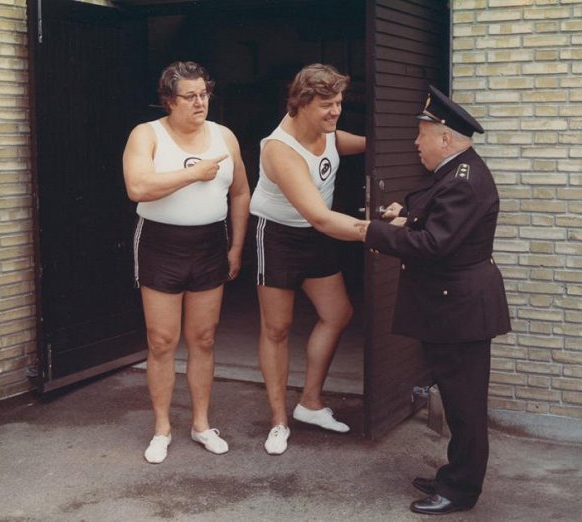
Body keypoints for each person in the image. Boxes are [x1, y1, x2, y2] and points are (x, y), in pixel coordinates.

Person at [358, 85, 511, 514]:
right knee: (458, 396)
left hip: (460, 310)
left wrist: (371, 232)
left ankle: (461, 491)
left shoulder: (464, 179)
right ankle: (453, 475)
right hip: (451, 307)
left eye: (421, 134)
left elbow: (434, 244)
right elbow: (436, 223)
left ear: (445, 137)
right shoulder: (454, 174)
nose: (415, 142)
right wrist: (405, 217)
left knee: (464, 404)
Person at [123, 61, 250, 463]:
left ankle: (201, 424)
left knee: (204, 338)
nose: (200, 103)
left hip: (211, 242)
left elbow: (242, 193)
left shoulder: (224, 136)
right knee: (161, 341)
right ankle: (162, 427)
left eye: (205, 94)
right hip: (161, 243)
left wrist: (236, 248)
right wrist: (193, 174)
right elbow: (138, 187)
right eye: (190, 96)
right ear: (168, 101)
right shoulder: (148, 135)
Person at [249, 63, 366, 455]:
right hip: (280, 235)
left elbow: (358, 143)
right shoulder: (280, 149)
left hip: (316, 235)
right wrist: (380, 232)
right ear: (301, 104)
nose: (336, 112)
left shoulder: (327, 132)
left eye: (339, 103)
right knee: (277, 328)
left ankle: (310, 403)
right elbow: (319, 215)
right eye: (327, 105)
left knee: (338, 313)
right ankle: (278, 420)